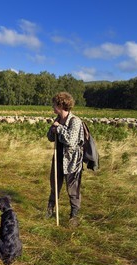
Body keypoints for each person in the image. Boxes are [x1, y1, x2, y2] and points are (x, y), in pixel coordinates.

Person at [46, 92, 84, 227]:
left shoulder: (75, 121)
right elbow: (50, 137)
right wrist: (53, 129)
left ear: (61, 105)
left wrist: (59, 129)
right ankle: (50, 210)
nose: (52, 107)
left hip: (72, 161)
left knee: (72, 189)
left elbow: (71, 141)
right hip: (58, 158)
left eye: (54, 104)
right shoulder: (57, 119)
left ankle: (74, 216)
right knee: (54, 185)